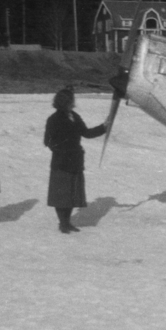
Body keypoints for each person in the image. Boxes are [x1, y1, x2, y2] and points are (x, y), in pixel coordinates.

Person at [44, 88, 108, 233]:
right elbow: (48, 141)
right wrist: (62, 151)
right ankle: (63, 223)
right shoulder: (53, 119)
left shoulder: (74, 116)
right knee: (61, 196)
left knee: (72, 195)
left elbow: (86, 133)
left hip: (75, 162)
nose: (74, 102)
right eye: (72, 99)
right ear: (66, 102)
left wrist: (104, 127)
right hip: (61, 163)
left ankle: (67, 222)